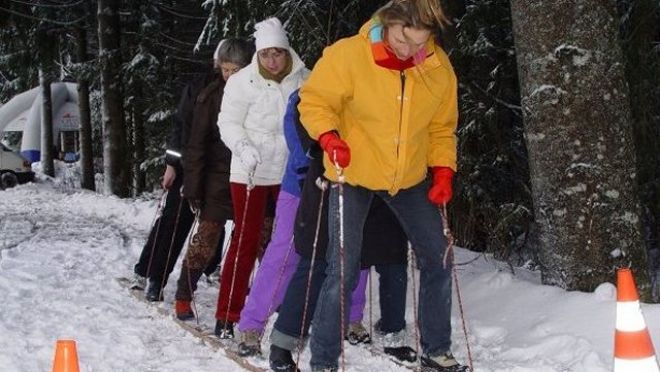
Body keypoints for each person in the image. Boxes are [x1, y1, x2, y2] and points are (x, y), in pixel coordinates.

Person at [298, 0, 467, 371]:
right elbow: (314, 102)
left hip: (408, 178)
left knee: (439, 255)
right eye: (402, 40)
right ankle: (323, 361)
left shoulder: (437, 68)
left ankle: (437, 352)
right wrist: (329, 138)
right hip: (353, 171)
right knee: (342, 267)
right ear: (388, 22)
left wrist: (442, 172)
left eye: (419, 44)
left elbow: (441, 128)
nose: (409, 51)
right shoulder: (349, 55)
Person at [267, 101, 413, 371]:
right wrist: (313, 158)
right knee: (318, 261)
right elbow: (304, 112)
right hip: (334, 177)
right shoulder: (332, 74)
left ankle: (393, 333)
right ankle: (284, 341)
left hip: (382, 183)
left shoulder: (394, 78)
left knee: (393, 257)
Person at [214, 17, 309, 338]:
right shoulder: (241, 81)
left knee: (285, 244)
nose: (272, 60)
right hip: (250, 170)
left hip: (290, 172)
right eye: (266, 54)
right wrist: (242, 147)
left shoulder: (304, 79)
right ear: (258, 54)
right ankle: (229, 311)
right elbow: (228, 121)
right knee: (246, 239)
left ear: (286, 52)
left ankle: (274, 304)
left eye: (277, 53)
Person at [131, 52, 228, 302]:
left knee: (213, 223)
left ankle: (208, 267)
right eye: (224, 64)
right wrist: (172, 164)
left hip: (221, 170)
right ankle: (154, 276)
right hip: (190, 165)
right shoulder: (198, 88)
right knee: (174, 222)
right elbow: (180, 127)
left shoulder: (245, 90)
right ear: (217, 62)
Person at [172, 38, 254, 320]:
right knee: (205, 240)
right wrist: (193, 187)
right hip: (217, 183)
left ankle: (263, 295)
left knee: (260, 241)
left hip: (252, 179)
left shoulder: (259, 93)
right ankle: (184, 295)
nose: (231, 75)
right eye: (226, 69)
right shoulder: (209, 96)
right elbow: (196, 145)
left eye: (236, 69)